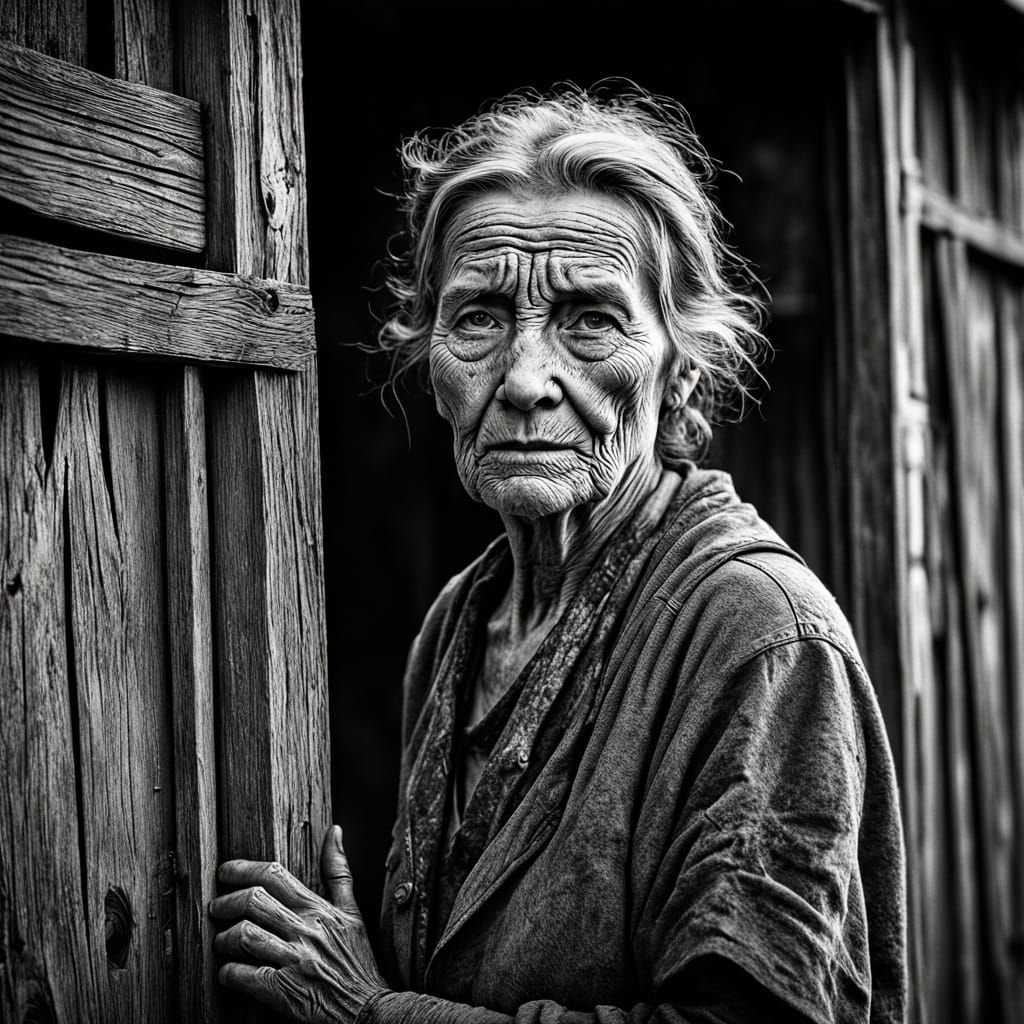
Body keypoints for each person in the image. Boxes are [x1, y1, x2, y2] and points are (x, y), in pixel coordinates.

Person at [210, 83, 907, 1024]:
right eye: (479, 319)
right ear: (431, 356)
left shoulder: (761, 639)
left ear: (682, 366)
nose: (528, 379)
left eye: (591, 321)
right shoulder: (460, 622)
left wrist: (372, 1014)